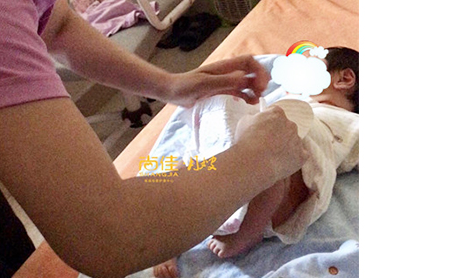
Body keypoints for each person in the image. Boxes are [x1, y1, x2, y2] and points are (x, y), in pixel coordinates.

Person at [0, 0, 307, 277]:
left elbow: (55, 25)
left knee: (20, 262)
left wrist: (170, 85)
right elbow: (108, 235)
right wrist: (261, 158)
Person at [153, 47, 359, 278]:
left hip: (289, 182)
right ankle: (168, 244)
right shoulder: (288, 101)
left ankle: (248, 233)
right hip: (238, 170)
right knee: (183, 169)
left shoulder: (351, 121)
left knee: (273, 166)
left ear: (344, 79)